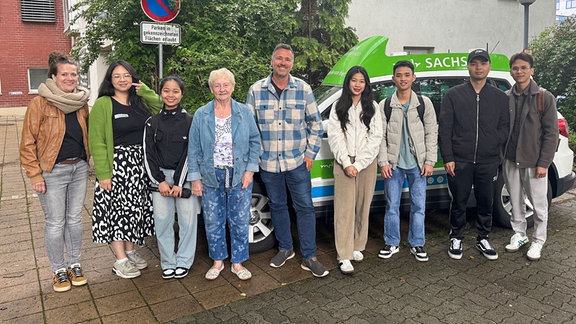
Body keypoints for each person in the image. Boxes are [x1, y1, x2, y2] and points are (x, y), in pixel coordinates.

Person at [246, 43, 328, 278]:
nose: (283, 63)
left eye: (287, 60)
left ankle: (309, 256)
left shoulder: (303, 89)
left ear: (292, 63)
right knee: (278, 206)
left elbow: (315, 123)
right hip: (269, 163)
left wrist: (310, 153)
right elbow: (250, 129)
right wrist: (256, 157)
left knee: (304, 207)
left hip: (297, 163)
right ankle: (285, 249)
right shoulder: (256, 90)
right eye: (279, 59)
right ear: (272, 61)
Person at [20, 52, 90, 292]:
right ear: (53, 76)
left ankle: (74, 263)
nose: (70, 78)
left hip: (79, 168)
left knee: (74, 220)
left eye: (73, 74)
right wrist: (34, 174)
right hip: (52, 172)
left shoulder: (81, 103)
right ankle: (58, 269)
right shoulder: (40, 103)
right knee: (55, 222)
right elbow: (27, 142)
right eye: (65, 74)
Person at [89, 60, 163, 279]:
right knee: (116, 213)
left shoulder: (139, 102)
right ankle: (120, 260)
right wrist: (104, 174)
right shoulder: (104, 104)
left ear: (133, 78)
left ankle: (130, 253)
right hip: (117, 166)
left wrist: (146, 90)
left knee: (134, 211)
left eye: (127, 75)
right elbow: (97, 141)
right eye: (117, 76)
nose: (122, 80)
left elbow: (162, 107)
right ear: (110, 80)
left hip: (140, 166)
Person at [188, 68, 260, 281]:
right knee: (212, 220)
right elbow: (193, 148)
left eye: (225, 85)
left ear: (233, 86)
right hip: (210, 175)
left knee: (239, 219)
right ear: (211, 88)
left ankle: (237, 262)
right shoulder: (202, 114)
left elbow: (255, 141)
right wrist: (195, 178)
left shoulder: (244, 112)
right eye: (217, 85)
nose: (222, 89)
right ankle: (218, 261)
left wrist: (250, 171)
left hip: (238, 174)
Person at [438, 49, 509, 261]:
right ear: (468, 66)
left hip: (488, 160)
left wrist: (494, 146)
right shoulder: (453, 94)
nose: (478, 67)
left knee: (485, 200)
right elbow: (445, 129)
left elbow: (504, 127)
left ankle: (483, 237)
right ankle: (456, 236)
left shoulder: (499, 97)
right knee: (459, 200)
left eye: (483, 63)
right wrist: (448, 157)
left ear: (489, 67)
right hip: (460, 159)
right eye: (474, 63)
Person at [377, 60, 438, 262]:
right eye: (399, 75)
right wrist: (383, 162)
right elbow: (380, 137)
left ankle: (417, 243)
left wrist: (430, 161)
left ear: (413, 77)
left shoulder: (424, 103)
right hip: (394, 165)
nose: (403, 78)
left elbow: (431, 133)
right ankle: (392, 242)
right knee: (391, 205)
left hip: (418, 165)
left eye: (407, 75)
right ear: (393, 78)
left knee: (419, 206)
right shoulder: (384, 105)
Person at [144, 76, 200, 279]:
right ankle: (168, 261)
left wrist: (178, 182)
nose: (170, 95)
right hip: (159, 180)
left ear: (182, 94)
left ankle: (184, 261)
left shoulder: (190, 121)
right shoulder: (152, 122)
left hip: (184, 177)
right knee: (162, 221)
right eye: (166, 90)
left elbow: (191, 152)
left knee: (187, 221)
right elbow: (148, 154)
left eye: (175, 91)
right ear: (160, 93)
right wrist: (159, 181)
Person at [327, 66, 382, 274]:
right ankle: (344, 254)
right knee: (344, 209)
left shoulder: (373, 107)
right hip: (344, 163)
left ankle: (358, 245)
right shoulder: (338, 106)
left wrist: (359, 164)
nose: (358, 84)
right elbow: (335, 136)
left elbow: (375, 138)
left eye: (362, 81)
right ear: (348, 82)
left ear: (366, 84)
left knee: (362, 206)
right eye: (354, 80)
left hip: (366, 163)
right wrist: (346, 162)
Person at [503, 52, 558, 261]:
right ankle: (519, 234)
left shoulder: (544, 97)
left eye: (523, 68)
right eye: (516, 68)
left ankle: (538, 241)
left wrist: (544, 163)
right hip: (510, 158)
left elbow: (551, 134)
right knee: (515, 201)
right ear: (511, 71)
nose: (519, 71)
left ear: (531, 70)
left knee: (538, 203)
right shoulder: (507, 96)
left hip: (534, 161)